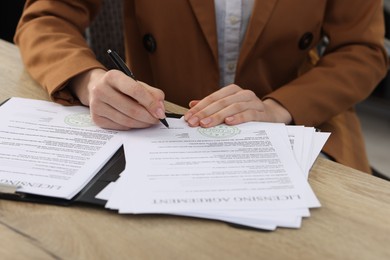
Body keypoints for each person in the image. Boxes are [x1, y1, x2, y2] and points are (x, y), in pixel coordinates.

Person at [14, 0, 388, 174]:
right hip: (163, 130)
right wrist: (88, 79)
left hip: (300, 123)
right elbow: (45, 17)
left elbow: (362, 50)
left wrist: (278, 107)